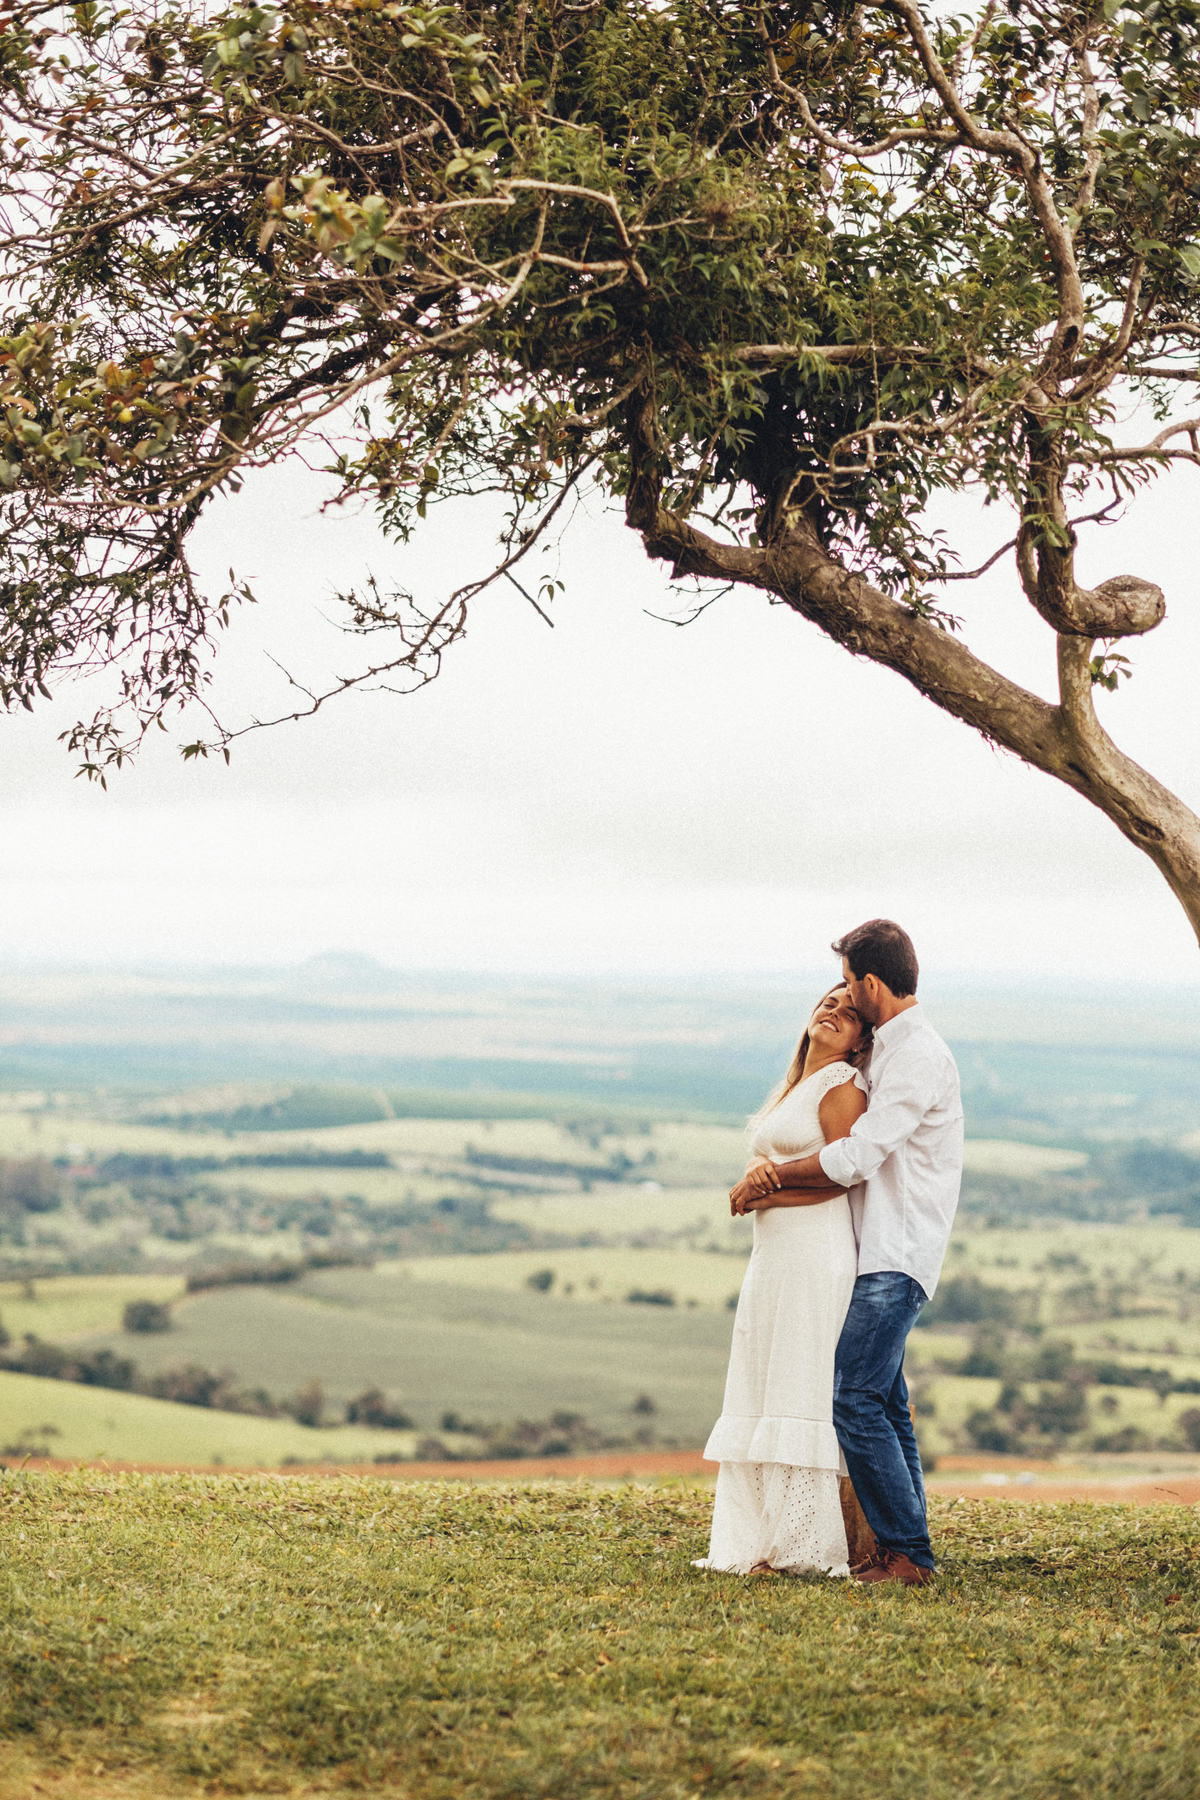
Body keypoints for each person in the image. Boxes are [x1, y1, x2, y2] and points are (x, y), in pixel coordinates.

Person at [732, 920, 963, 1588]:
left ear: (869, 982)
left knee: (855, 1398)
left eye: (848, 984)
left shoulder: (916, 1055)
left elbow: (858, 1158)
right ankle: (906, 1542)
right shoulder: (886, 1051)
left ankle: (908, 1555)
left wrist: (774, 1175)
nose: (841, 998)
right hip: (874, 1251)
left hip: (897, 1251)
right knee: (885, 1404)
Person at [694, 982, 870, 1576]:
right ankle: (753, 1541)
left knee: (797, 1382)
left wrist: (763, 1188)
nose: (833, 1012)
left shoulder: (843, 1087)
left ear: (860, 1041)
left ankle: (801, 1548)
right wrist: (759, 1187)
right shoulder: (798, 1083)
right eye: (828, 1002)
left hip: (814, 1253)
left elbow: (844, 1174)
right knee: (763, 1380)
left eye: (849, 1014)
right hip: (774, 1256)